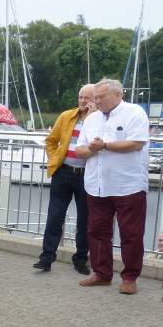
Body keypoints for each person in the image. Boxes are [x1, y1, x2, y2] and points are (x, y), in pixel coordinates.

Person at [74, 78, 150, 294]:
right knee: (97, 231)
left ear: (118, 94)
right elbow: (79, 150)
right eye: (95, 97)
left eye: (101, 97)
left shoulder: (135, 113)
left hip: (128, 185)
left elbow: (136, 144)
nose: (97, 101)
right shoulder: (91, 119)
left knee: (131, 233)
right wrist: (93, 149)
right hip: (97, 185)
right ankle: (102, 274)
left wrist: (104, 145)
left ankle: (130, 277)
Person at [34, 84, 96, 274]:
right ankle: (46, 258)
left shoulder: (99, 120)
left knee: (84, 219)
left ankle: (80, 259)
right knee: (55, 215)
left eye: (87, 98)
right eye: (80, 97)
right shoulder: (66, 116)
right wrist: (54, 159)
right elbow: (51, 141)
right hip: (63, 172)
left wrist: (91, 117)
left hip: (86, 175)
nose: (83, 101)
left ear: (95, 100)